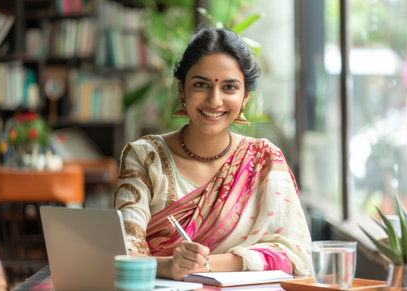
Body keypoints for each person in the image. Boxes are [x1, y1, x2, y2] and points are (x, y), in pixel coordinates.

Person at [114, 27, 311, 280]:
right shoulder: (144, 156)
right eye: (200, 85)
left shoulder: (264, 159)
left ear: (245, 98)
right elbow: (123, 252)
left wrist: (205, 263)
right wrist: (169, 266)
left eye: (229, 87)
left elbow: (295, 255)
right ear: (182, 91)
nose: (214, 100)